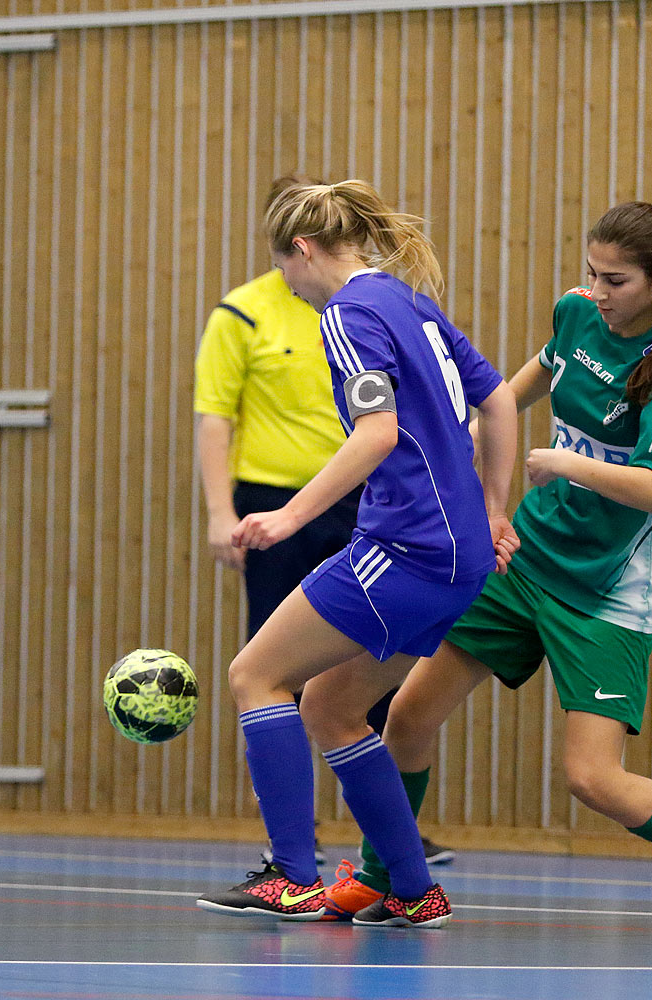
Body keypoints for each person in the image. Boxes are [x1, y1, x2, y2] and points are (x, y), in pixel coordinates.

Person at [324, 201, 652, 931]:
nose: (598, 292)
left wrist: (570, 463)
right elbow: (509, 393)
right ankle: (385, 877)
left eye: (617, 280)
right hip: (528, 556)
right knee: (407, 717)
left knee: (592, 778)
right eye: (591, 274)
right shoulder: (576, 314)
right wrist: (469, 443)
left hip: (608, 587)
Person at [195, 180, 518, 929]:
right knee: (334, 707)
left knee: (255, 674)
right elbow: (498, 400)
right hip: (459, 555)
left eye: (285, 270)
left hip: (405, 545)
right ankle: (412, 888)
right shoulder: (406, 300)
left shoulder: (346, 312)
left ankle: (294, 876)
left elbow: (375, 435)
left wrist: (285, 515)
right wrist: (495, 510)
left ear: (302, 249)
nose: (290, 289)